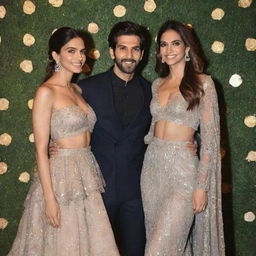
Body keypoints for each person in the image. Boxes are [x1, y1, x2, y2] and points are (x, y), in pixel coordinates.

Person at [8, 27, 119, 256]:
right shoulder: (46, 92)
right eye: (71, 51)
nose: (79, 57)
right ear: (56, 55)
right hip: (61, 178)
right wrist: (49, 198)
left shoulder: (77, 89)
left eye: (82, 51)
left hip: (85, 171)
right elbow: (40, 151)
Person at [141, 20, 225, 255]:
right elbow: (152, 127)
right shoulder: (157, 84)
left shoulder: (203, 84)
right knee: (172, 246)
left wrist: (202, 186)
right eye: (163, 44)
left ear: (187, 48)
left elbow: (211, 140)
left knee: (157, 250)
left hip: (183, 172)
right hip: (152, 169)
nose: (168, 50)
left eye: (175, 43)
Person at [78, 21, 152, 256]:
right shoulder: (86, 88)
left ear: (142, 54)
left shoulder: (153, 91)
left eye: (135, 49)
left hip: (136, 194)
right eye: (123, 48)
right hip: (97, 191)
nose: (129, 55)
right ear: (112, 51)